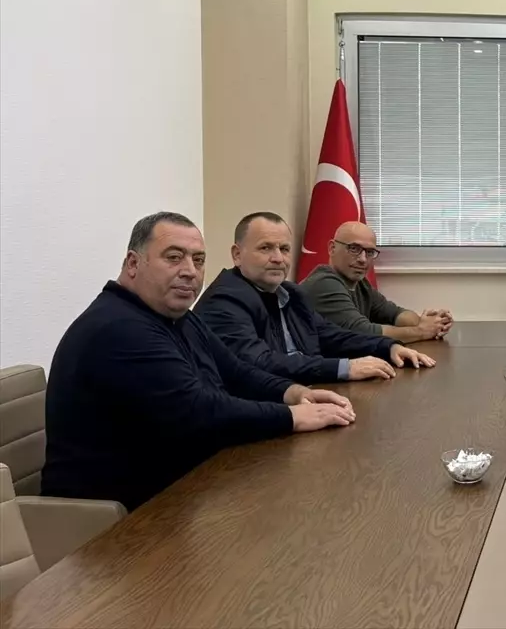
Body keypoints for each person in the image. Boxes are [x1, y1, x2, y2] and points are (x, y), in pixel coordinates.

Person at [41, 212, 356, 511]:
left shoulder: (175, 316)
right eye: (174, 257)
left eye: (199, 259)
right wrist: (292, 417)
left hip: (180, 487)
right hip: (118, 519)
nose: (190, 271)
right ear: (133, 263)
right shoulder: (119, 327)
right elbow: (199, 411)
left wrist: (294, 393)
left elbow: (236, 371)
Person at [194, 212, 435, 386]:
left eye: (284, 249)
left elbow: (330, 335)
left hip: (305, 393)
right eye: (265, 248)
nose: (278, 258)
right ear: (237, 255)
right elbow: (259, 363)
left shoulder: (290, 293)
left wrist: (388, 346)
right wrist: (345, 368)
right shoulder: (224, 301)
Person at [300, 221, 453, 342]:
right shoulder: (324, 283)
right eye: (354, 249)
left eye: (369, 252)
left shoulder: (360, 284)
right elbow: (363, 333)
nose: (363, 259)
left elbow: (396, 314)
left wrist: (429, 322)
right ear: (332, 248)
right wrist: (421, 331)